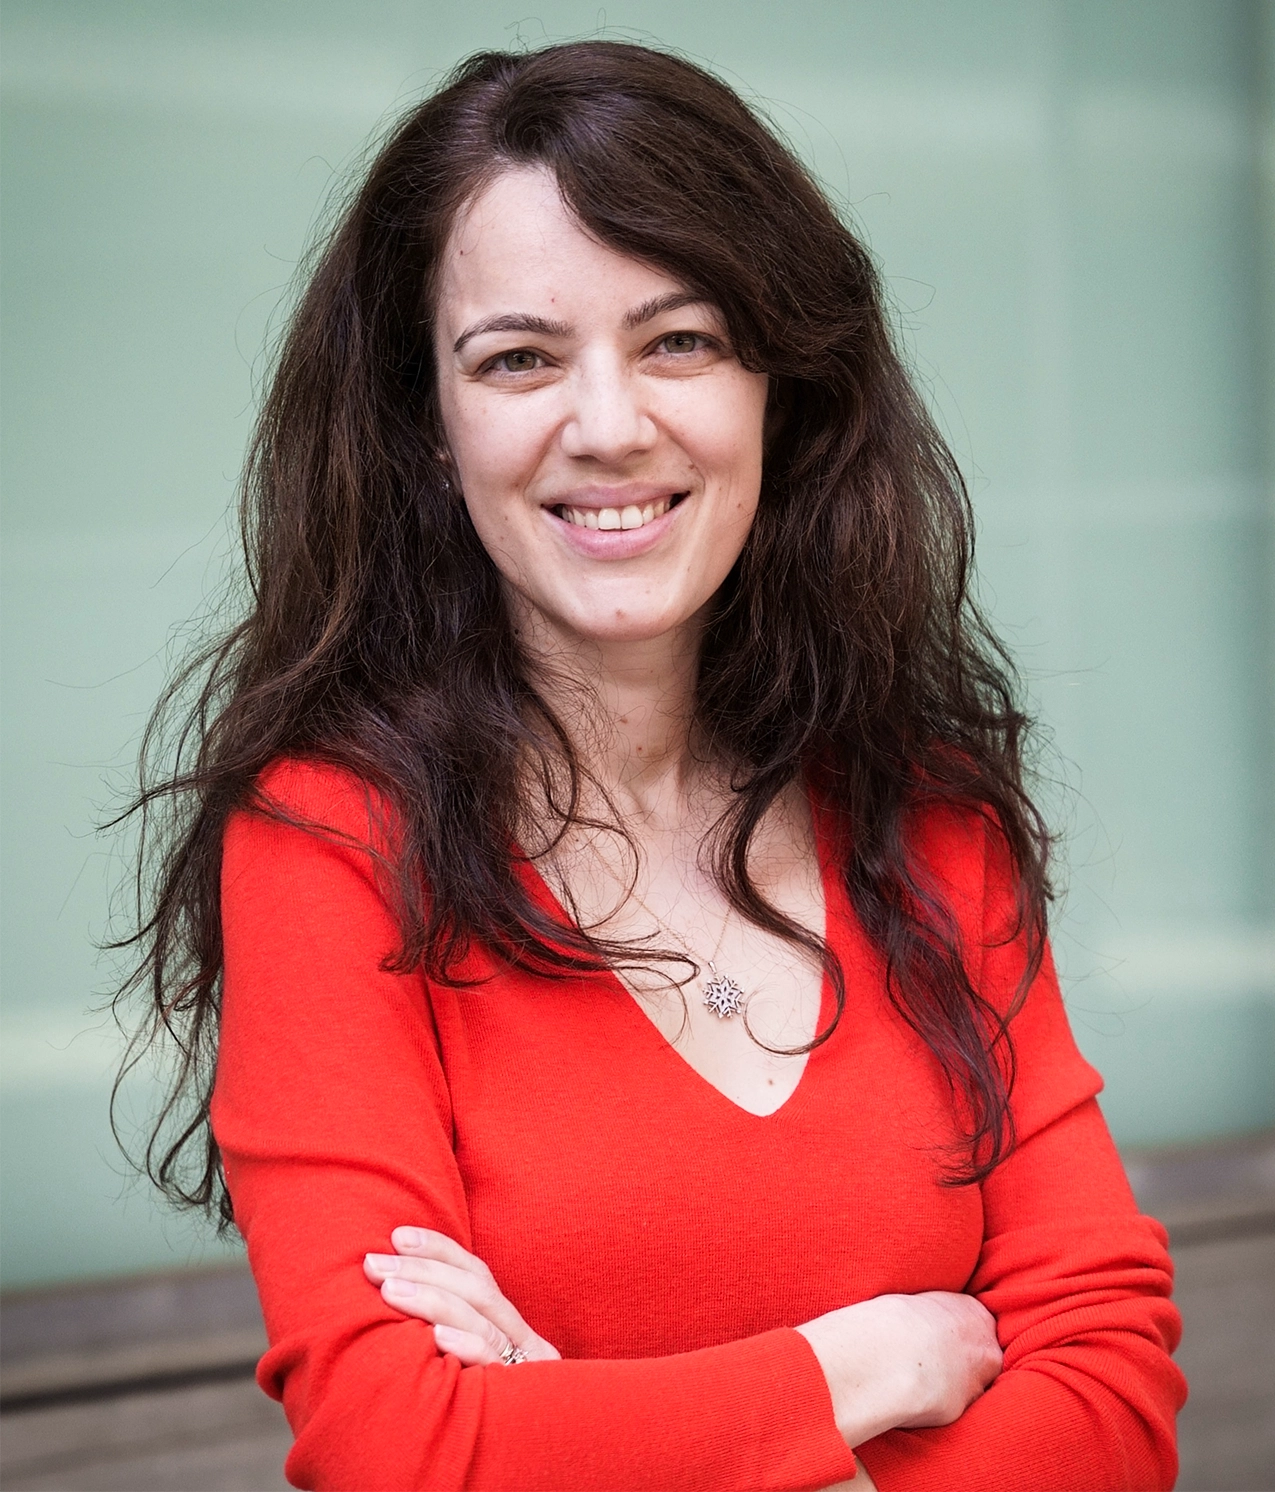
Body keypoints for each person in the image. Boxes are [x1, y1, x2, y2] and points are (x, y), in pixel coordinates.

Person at [121, 40, 1186, 1492]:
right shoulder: (330, 844)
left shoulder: (926, 811)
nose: (610, 426)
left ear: (779, 389)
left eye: (678, 340)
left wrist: (598, 1433)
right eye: (518, 359)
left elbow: (1109, 1380)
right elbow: (397, 1443)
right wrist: (866, 1368)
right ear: (428, 428)